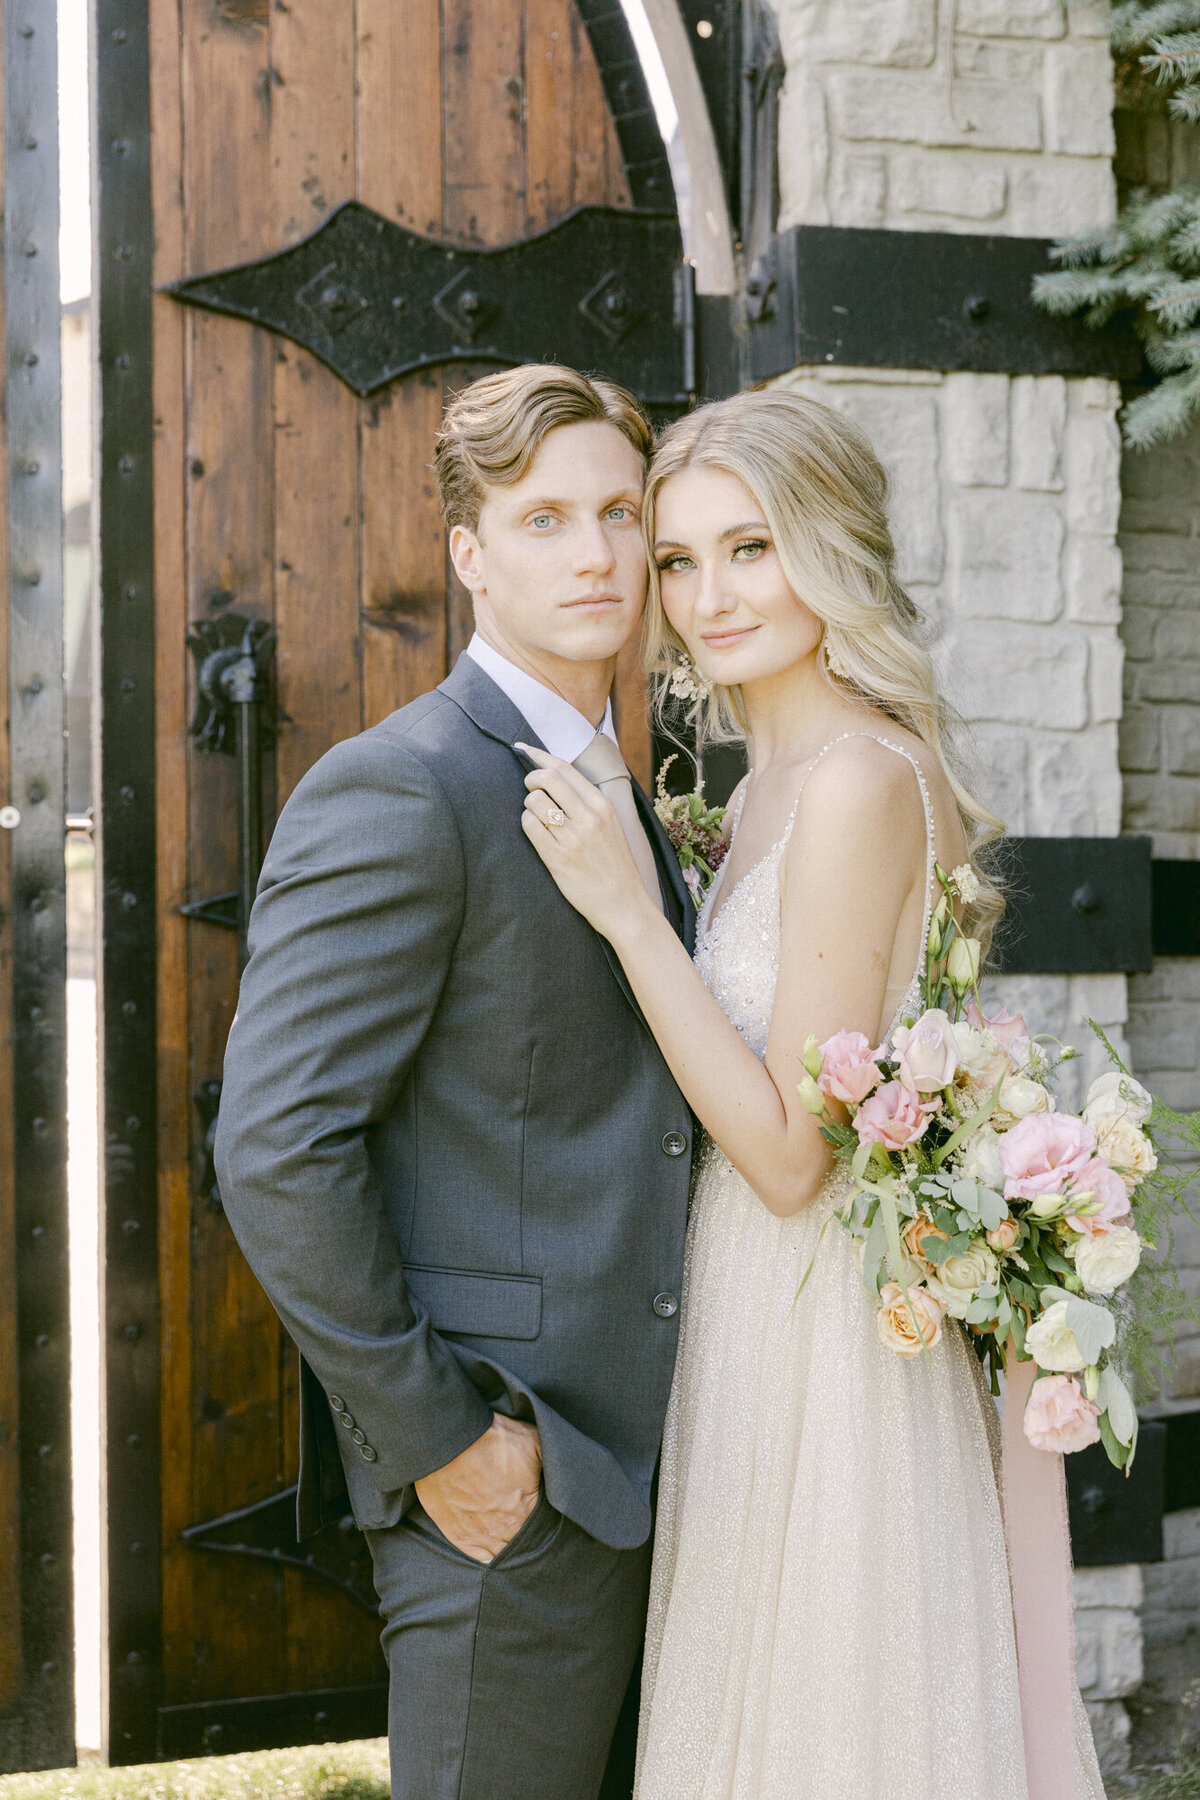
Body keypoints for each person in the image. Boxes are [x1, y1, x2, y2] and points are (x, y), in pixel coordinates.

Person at [519, 387, 1106, 1800]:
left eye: (751, 549)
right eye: (678, 560)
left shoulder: (854, 781)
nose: (708, 596)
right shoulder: (764, 780)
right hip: (749, 1309)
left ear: (829, 550)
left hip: (814, 1336)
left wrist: (632, 917)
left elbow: (792, 1157)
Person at [213, 364, 695, 1800]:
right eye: (545, 519)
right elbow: (280, 1146)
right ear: (471, 554)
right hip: (516, 1478)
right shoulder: (408, 787)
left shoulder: (634, 785)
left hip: (670, 1465)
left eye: (621, 510)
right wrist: (445, 1444)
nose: (599, 552)